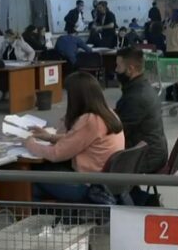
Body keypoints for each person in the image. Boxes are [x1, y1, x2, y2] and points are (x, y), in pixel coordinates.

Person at [25, 72, 124, 202]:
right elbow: (77, 139)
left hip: (89, 185)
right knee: (36, 180)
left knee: (26, 183)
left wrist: (30, 144)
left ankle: (43, 215)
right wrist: (50, 137)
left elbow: (56, 154)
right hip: (103, 182)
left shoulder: (90, 120)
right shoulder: (108, 113)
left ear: (77, 97)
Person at [114, 47, 168, 174]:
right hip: (153, 151)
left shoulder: (136, 97)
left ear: (130, 69)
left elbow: (118, 131)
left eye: (118, 66)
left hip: (147, 158)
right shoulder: (142, 87)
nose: (116, 70)